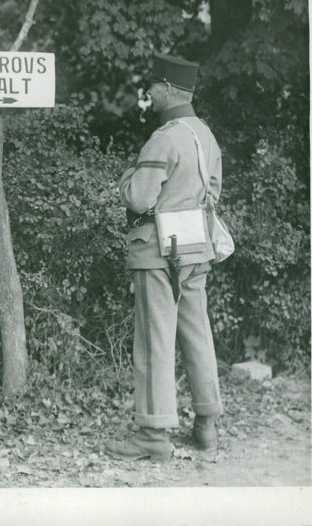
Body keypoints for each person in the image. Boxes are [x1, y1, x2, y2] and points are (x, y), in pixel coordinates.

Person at [105, 54, 223, 461]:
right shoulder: (205, 135)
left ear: (170, 89)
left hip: (156, 250)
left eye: (154, 86)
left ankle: (154, 435)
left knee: (155, 339)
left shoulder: (163, 137)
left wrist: (123, 181)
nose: (149, 93)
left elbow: (139, 197)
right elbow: (214, 192)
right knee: (196, 332)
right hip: (195, 245)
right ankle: (206, 424)